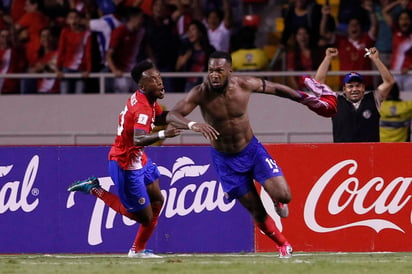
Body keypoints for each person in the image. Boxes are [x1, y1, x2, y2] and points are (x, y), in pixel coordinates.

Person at [165, 51, 338, 258]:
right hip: (225, 160)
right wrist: (192, 124)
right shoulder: (200, 93)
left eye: (219, 71)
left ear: (230, 70)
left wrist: (303, 99)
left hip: (252, 150)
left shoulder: (245, 84)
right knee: (256, 210)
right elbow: (172, 115)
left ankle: (277, 200)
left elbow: (276, 89)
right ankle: (283, 245)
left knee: (285, 195)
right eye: (210, 71)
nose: (214, 75)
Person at [67, 60, 182, 258]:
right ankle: (94, 188)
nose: (160, 82)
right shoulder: (143, 109)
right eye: (153, 79)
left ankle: (137, 251)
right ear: (142, 86)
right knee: (144, 217)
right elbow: (139, 138)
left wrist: (190, 124)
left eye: (159, 77)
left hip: (140, 159)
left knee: (157, 200)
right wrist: (164, 135)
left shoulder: (145, 99)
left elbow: (160, 117)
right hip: (125, 164)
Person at [314, 47, 395, 142]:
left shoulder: (373, 98)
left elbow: (389, 82)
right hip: (343, 154)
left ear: (364, 88)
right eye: (350, 86)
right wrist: (328, 58)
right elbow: (318, 84)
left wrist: (376, 59)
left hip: (370, 153)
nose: (354, 89)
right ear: (344, 89)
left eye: (358, 86)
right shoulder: (335, 101)